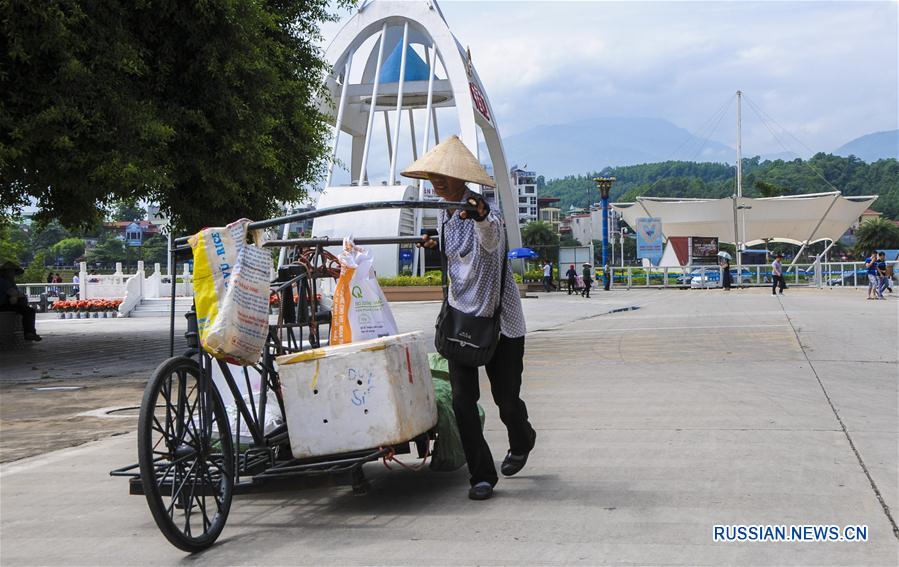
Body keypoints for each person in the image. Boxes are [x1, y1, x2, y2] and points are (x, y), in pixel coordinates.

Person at [403, 136, 536, 501]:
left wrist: (478, 214)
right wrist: (434, 243)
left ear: (462, 177)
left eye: (445, 175)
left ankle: (522, 438)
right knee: (463, 400)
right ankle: (481, 476)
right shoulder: (445, 218)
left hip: (499, 324)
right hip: (461, 322)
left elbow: (490, 238)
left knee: (506, 399)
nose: (438, 181)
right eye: (433, 176)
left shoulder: (485, 213)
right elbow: (456, 261)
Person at [0, 261, 42, 341]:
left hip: (9, 303)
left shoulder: (10, 282)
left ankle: (30, 333)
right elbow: (14, 293)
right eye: (10, 271)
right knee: (29, 311)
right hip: (2, 305)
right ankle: (29, 333)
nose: (13, 274)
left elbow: (17, 295)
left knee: (27, 309)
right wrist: (16, 296)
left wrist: (16, 296)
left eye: (13, 272)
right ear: (5, 272)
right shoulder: (2, 281)